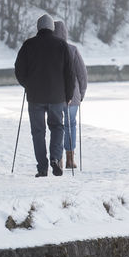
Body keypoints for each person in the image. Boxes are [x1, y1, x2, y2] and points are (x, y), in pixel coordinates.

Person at [13, 13, 75, 177]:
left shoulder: (28, 45)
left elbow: (18, 69)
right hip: (57, 96)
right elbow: (69, 73)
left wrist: (28, 84)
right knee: (57, 127)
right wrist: (68, 94)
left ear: (38, 27)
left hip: (35, 97)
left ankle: (42, 167)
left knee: (38, 132)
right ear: (52, 28)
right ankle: (55, 158)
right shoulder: (62, 45)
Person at [53, 20, 88, 170]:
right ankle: (70, 158)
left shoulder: (48, 51)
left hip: (54, 95)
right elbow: (82, 74)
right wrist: (82, 93)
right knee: (70, 125)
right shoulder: (72, 50)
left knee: (57, 126)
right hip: (72, 96)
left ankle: (58, 159)